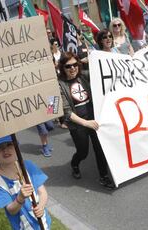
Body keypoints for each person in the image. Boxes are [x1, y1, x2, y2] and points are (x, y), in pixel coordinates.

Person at [57, 52, 115, 189]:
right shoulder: (58, 85)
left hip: (94, 120)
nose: (72, 69)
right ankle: (75, 164)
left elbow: (104, 73)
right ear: (62, 68)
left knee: (99, 148)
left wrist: (97, 58)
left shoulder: (84, 76)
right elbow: (66, 112)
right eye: (68, 66)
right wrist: (85, 123)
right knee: (83, 152)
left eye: (75, 65)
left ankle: (104, 176)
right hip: (78, 125)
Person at [0, 135, 51, 229]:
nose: (5, 150)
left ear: (16, 146)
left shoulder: (28, 166)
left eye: (9, 144)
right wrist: (20, 198)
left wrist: (41, 206)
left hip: (43, 223)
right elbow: (11, 210)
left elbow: (42, 192)